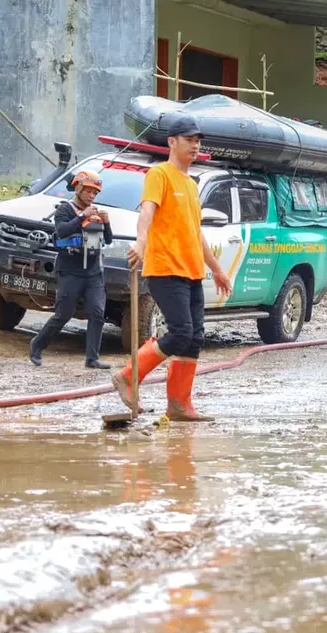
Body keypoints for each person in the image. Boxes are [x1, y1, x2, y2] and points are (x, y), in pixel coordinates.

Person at [111, 112, 233, 421]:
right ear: (171, 142)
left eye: (197, 141)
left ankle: (179, 405)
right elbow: (147, 211)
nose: (195, 146)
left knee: (194, 337)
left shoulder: (191, 185)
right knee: (180, 333)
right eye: (189, 140)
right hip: (165, 268)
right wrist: (140, 241)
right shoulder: (160, 175)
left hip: (192, 271)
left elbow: (196, 232)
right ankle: (128, 376)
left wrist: (217, 269)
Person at [29, 171, 113, 369]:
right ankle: (37, 344)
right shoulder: (65, 210)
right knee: (64, 313)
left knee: (97, 313)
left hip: (94, 273)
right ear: (78, 189)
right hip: (70, 271)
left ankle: (92, 359)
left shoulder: (96, 212)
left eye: (95, 193)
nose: (92, 196)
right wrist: (83, 216)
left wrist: (106, 222)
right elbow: (62, 231)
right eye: (89, 191)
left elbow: (107, 239)